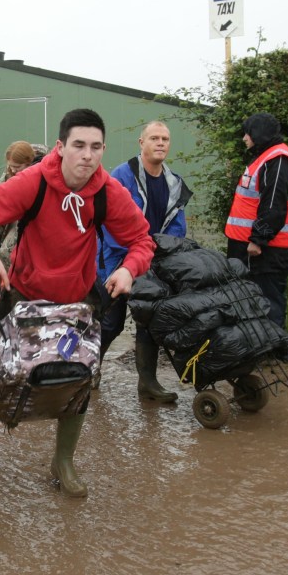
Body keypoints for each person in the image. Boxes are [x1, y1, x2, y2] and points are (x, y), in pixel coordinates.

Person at [0, 108, 155, 497]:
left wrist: (130, 269)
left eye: (96, 147)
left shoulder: (108, 191)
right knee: (4, 370)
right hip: (24, 294)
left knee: (77, 376)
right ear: (61, 147)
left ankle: (63, 459)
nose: (88, 155)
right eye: (79, 145)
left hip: (78, 301)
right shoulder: (33, 182)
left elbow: (143, 239)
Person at [97, 121, 192, 403]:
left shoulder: (173, 182)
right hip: (118, 259)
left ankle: (147, 383)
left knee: (149, 321)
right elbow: (111, 222)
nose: (160, 143)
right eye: (154, 138)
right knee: (111, 321)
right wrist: (131, 257)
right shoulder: (122, 176)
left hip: (153, 262)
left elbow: (177, 226)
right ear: (141, 143)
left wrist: (160, 251)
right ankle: (90, 369)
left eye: (164, 138)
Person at [225, 113, 288, 328]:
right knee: (253, 299)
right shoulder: (267, 158)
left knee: (269, 301)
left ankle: (274, 350)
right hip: (254, 246)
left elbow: (274, 206)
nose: (244, 138)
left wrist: (258, 239)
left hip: (267, 250)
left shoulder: (277, 160)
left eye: (247, 132)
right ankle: (257, 347)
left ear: (258, 133)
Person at [0, 141, 37, 265]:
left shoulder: (40, 177)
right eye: (10, 166)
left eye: (17, 167)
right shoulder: (8, 175)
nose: (13, 169)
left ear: (29, 163)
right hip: (7, 227)